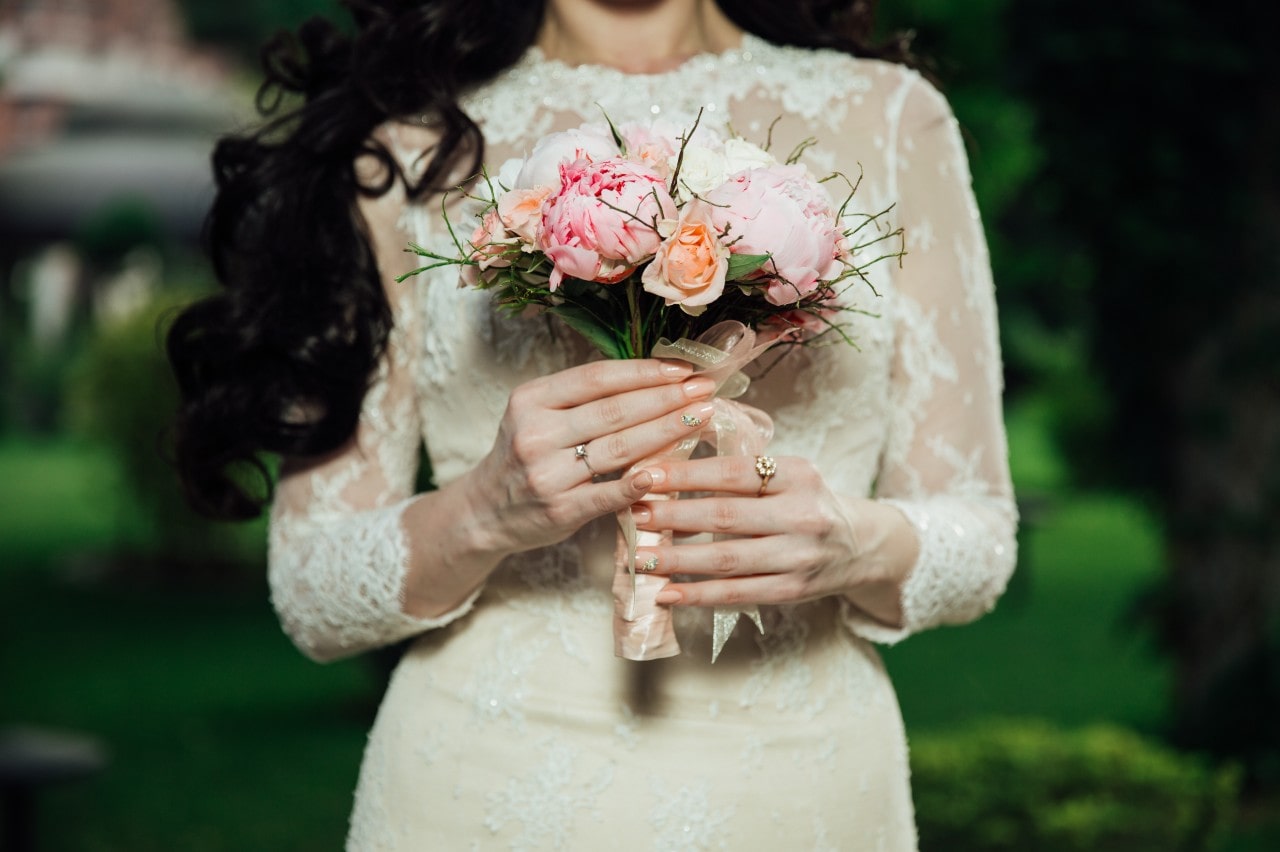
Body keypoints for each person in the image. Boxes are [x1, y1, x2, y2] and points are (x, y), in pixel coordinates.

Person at [168, 0, 1017, 848]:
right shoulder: (407, 148)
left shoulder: (894, 116)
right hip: (481, 790)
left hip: (805, 792)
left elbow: (978, 534)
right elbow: (314, 593)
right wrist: (484, 511)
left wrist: (853, 543)